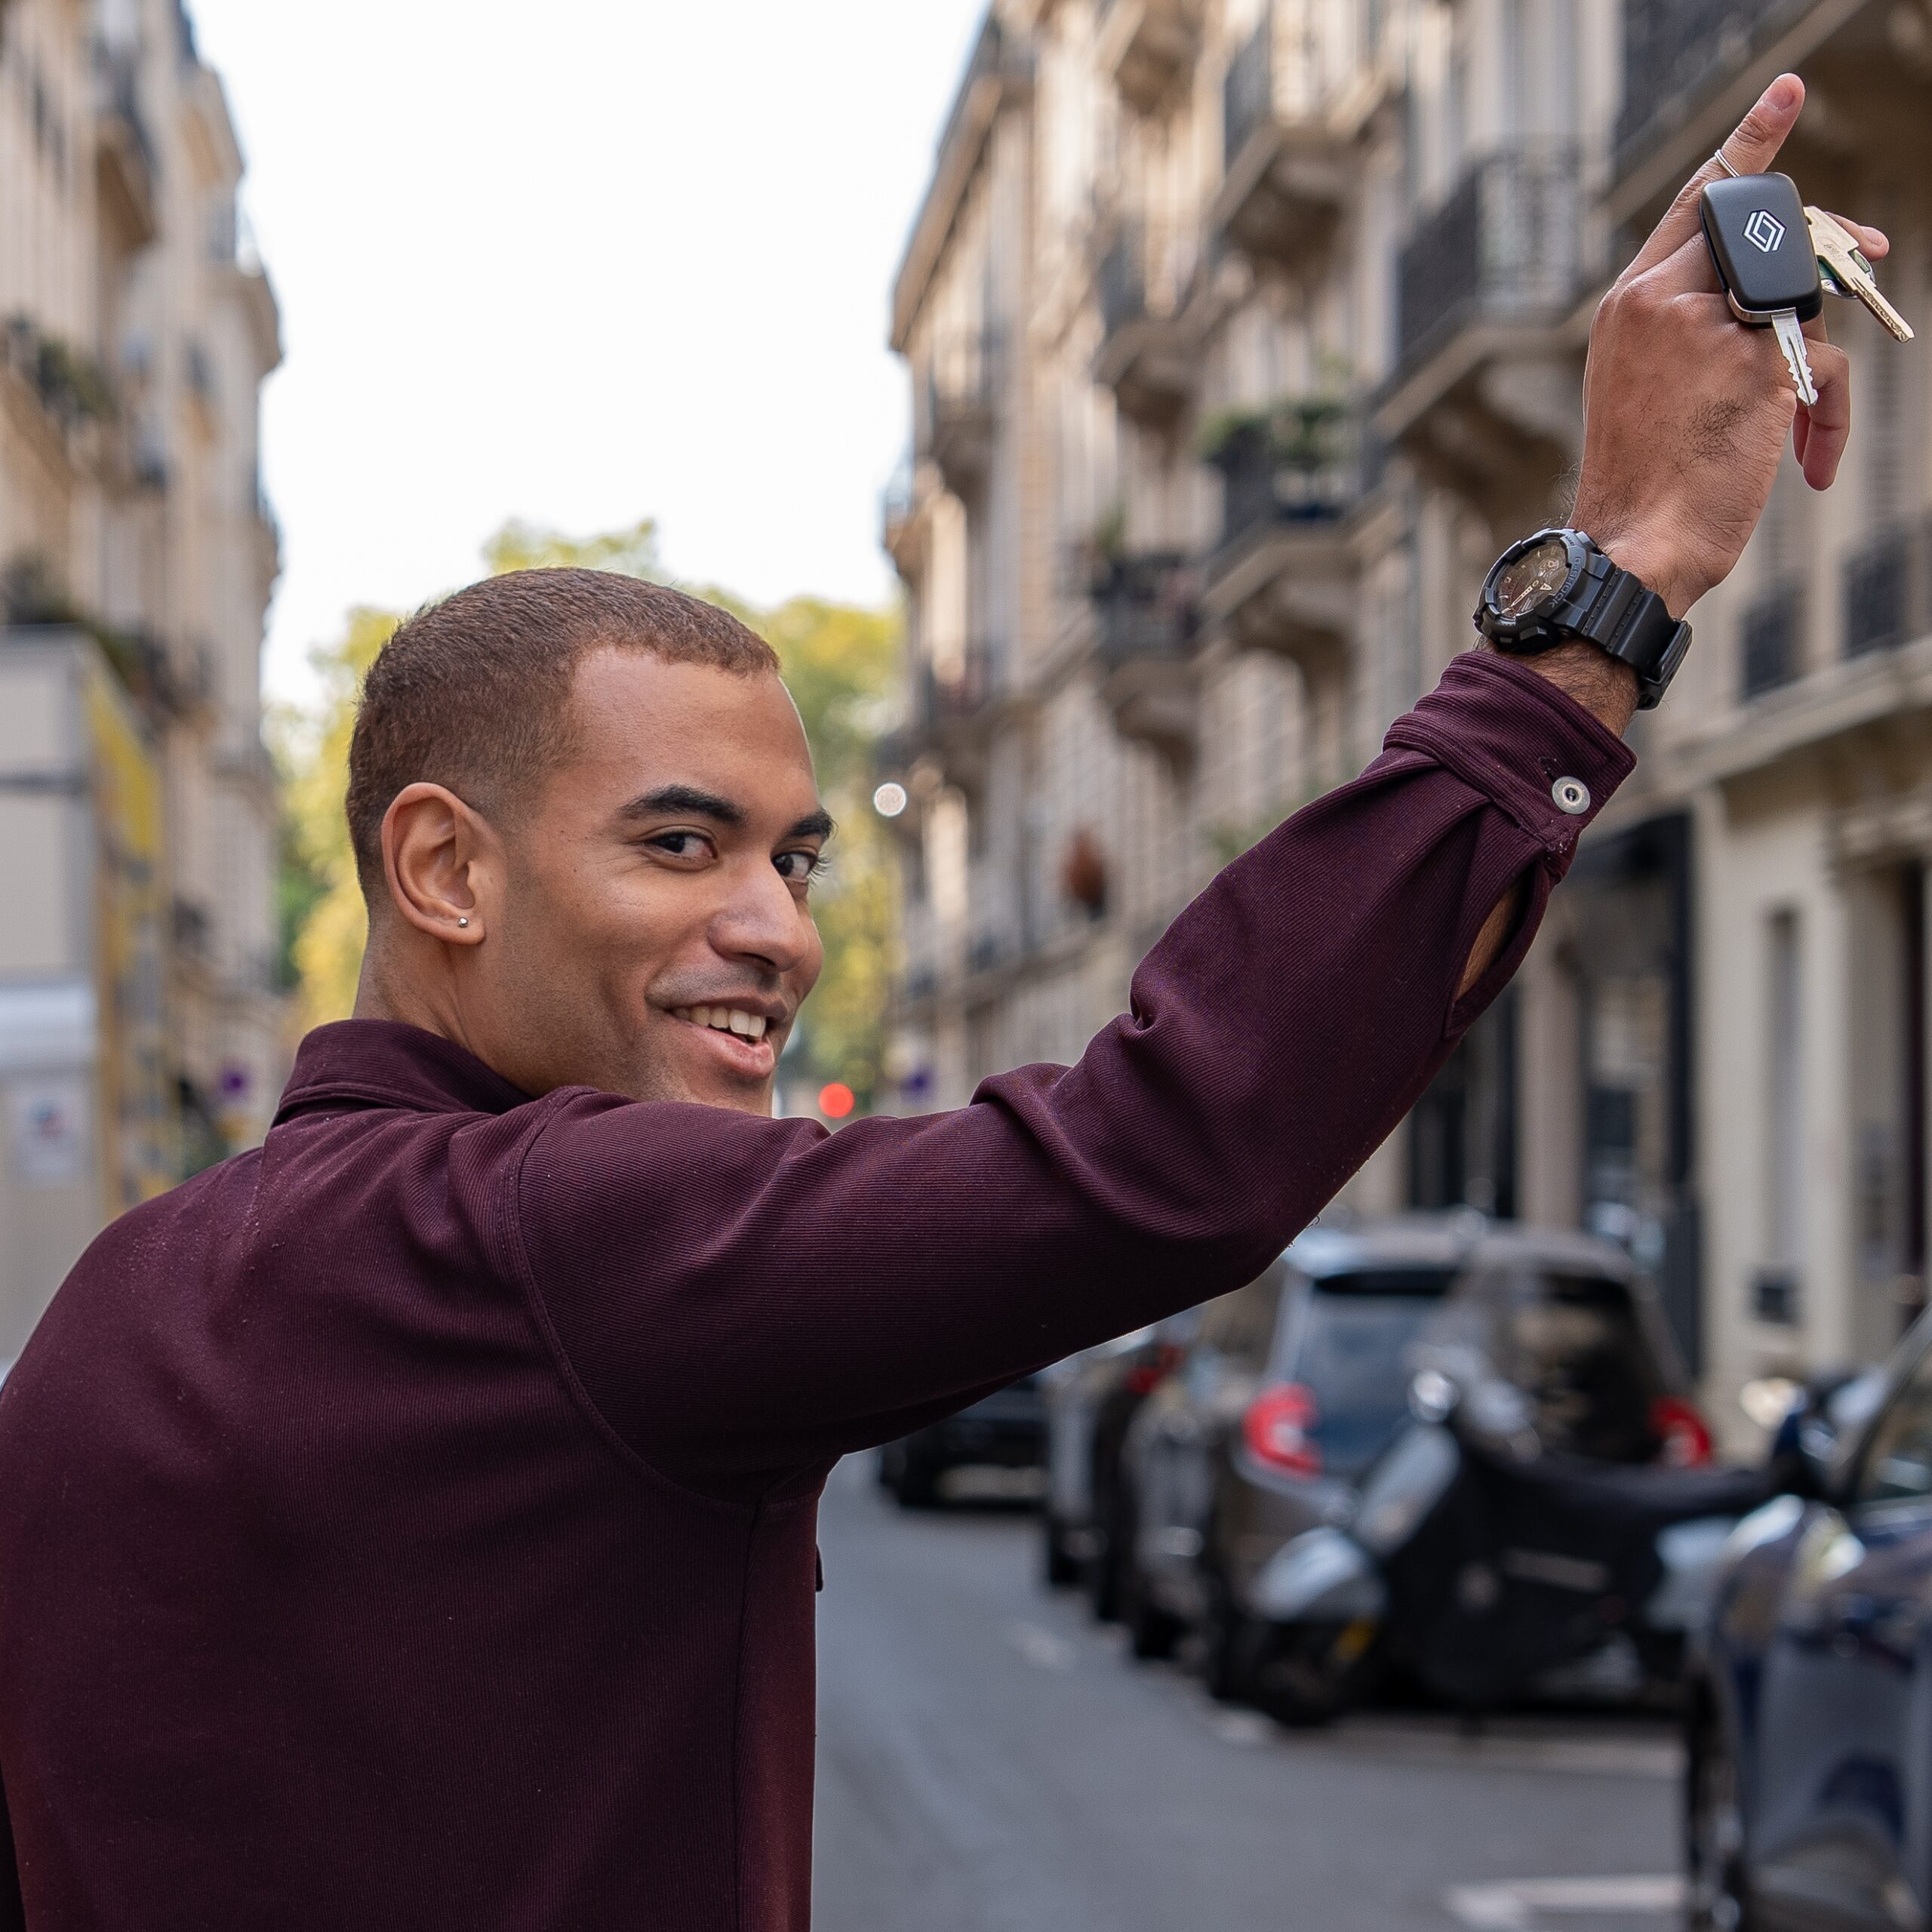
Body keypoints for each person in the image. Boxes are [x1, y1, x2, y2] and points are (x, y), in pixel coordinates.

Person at [0, 77, 1883, 1932]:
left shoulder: (102, 1317)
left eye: (795, 859)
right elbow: (1162, 1146)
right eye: (678, 843)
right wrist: (1605, 600)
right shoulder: (553, 1233)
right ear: (441, 869)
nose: (778, 932)